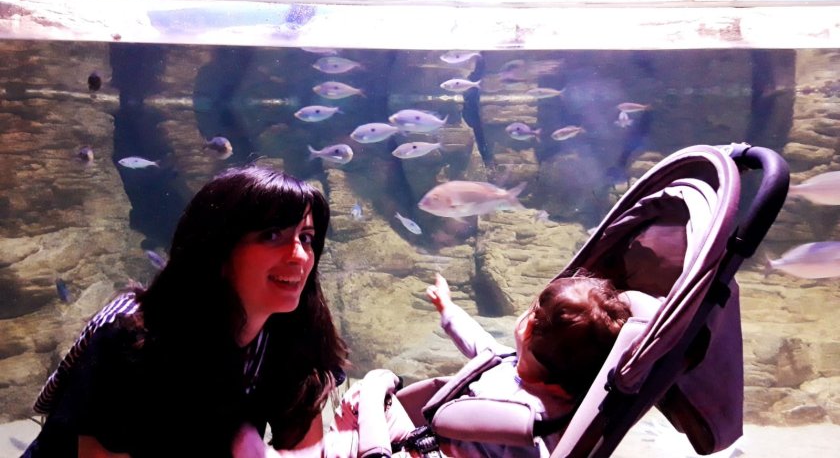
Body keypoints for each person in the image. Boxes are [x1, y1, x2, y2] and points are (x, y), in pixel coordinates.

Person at [23, 166, 349, 458]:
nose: (300, 255)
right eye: (272, 235)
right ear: (218, 247)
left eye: (306, 238)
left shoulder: (294, 338)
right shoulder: (133, 338)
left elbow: (303, 450)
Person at [343, 270, 632, 458]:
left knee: (367, 390)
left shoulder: (525, 424)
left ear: (528, 326)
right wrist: (447, 307)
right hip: (427, 443)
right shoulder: (519, 370)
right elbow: (477, 340)